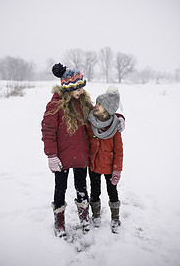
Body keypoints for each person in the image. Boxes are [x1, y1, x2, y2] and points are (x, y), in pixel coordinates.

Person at [41, 63, 92, 238]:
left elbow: (100, 115)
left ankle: (84, 217)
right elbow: (48, 131)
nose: (81, 91)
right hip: (61, 157)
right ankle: (60, 221)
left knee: (81, 187)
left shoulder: (84, 103)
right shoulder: (55, 105)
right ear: (68, 89)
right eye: (77, 88)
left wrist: (117, 118)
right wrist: (51, 155)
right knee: (60, 188)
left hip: (81, 156)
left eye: (82, 86)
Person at [87, 86, 124, 233]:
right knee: (94, 191)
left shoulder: (115, 128)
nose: (95, 107)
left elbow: (119, 151)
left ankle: (115, 217)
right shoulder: (90, 123)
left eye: (99, 105)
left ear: (107, 109)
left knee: (112, 191)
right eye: (95, 103)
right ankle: (96, 215)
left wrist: (117, 170)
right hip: (94, 165)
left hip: (109, 167)